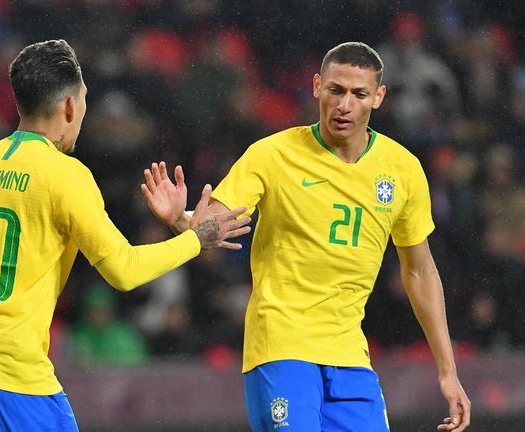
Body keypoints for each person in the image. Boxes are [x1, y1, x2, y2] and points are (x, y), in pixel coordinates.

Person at [0, 39, 250, 431]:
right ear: (71, 105)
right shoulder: (63, 175)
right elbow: (123, 271)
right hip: (7, 372)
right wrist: (195, 239)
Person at [141, 42, 471, 432]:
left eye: (359, 94)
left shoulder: (403, 170)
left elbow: (419, 273)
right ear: (317, 86)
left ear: (378, 97)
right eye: (335, 90)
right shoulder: (273, 155)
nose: (344, 105)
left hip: (350, 356)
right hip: (282, 348)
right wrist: (181, 218)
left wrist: (448, 372)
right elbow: (215, 220)